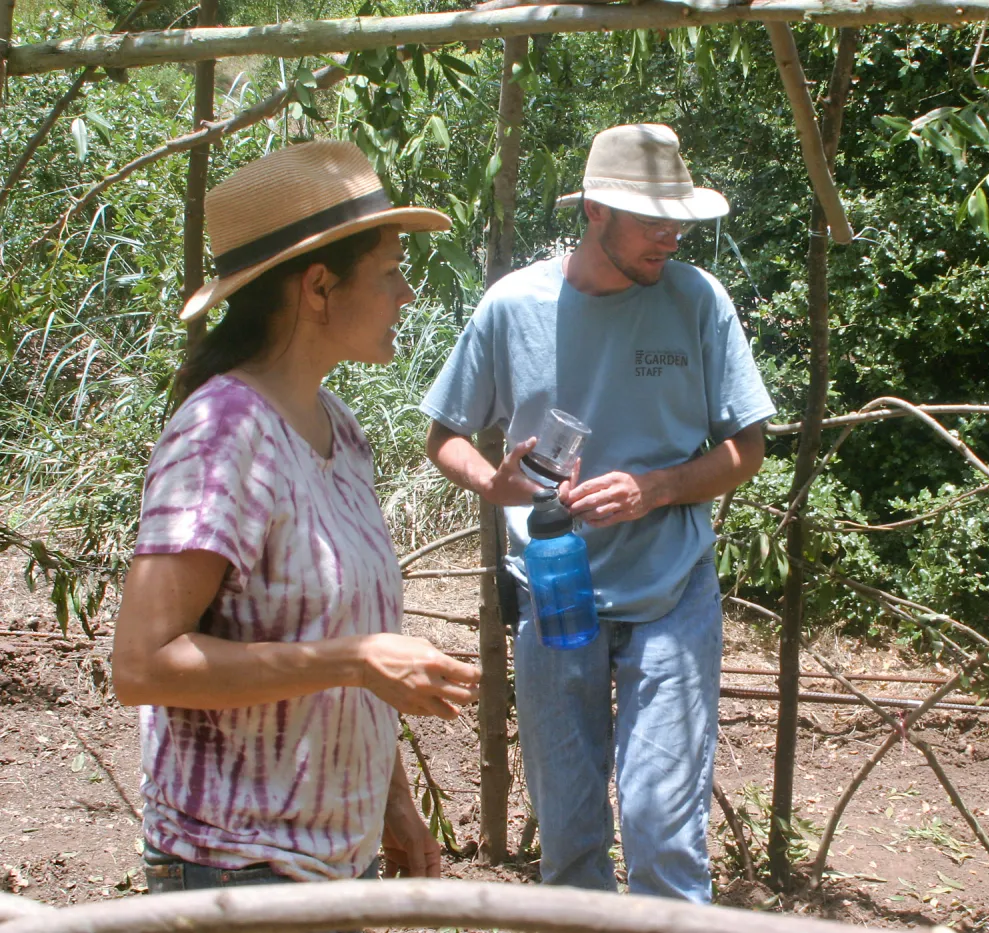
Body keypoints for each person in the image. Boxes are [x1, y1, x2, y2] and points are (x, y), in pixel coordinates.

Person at [111, 141, 481, 893]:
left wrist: (393, 800)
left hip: (333, 863)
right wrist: (353, 659)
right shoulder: (221, 434)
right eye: (389, 273)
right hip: (236, 871)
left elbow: (337, 637)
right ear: (318, 287)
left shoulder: (339, 429)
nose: (406, 295)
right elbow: (142, 664)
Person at [420, 123, 775, 902]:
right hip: (554, 590)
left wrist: (656, 488)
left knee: (662, 832)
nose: (670, 235)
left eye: (676, 217)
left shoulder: (697, 301)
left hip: (670, 593)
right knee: (571, 841)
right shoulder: (513, 306)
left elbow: (747, 448)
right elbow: (443, 435)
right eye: (652, 219)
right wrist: (494, 482)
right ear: (594, 214)